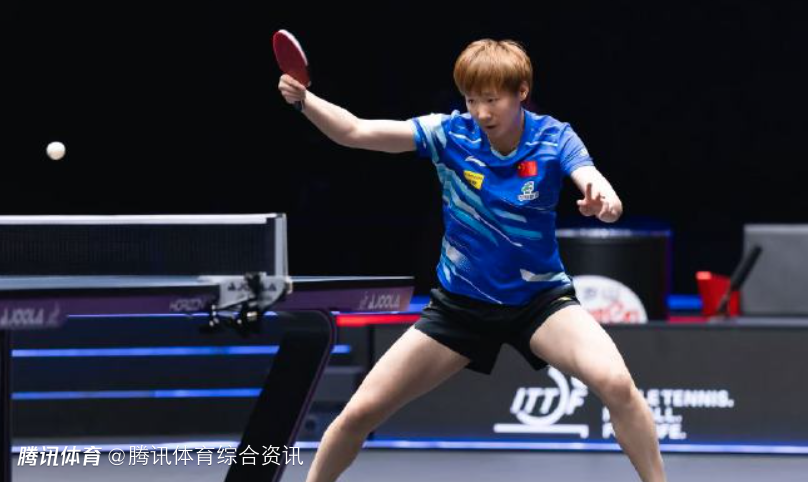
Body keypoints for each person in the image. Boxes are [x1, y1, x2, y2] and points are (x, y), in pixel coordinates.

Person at [278, 38, 667, 482]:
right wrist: (305, 101)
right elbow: (355, 132)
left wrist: (604, 203)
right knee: (359, 412)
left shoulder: (554, 137)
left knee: (617, 385)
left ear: (521, 92)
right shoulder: (449, 134)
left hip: (540, 302)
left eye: (492, 100)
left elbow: (597, 185)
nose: (481, 112)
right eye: (471, 99)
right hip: (460, 307)